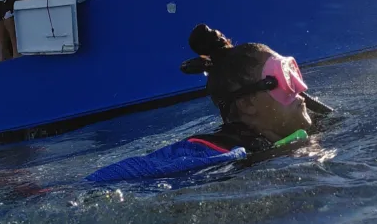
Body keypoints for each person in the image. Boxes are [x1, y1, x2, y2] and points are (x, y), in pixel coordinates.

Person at [86, 24, 332, 183]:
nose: (300, 90)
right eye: (283, 79)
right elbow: (113, 177)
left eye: (293, 74)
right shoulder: (212, 152)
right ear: (247, 104)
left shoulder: (288, 136)